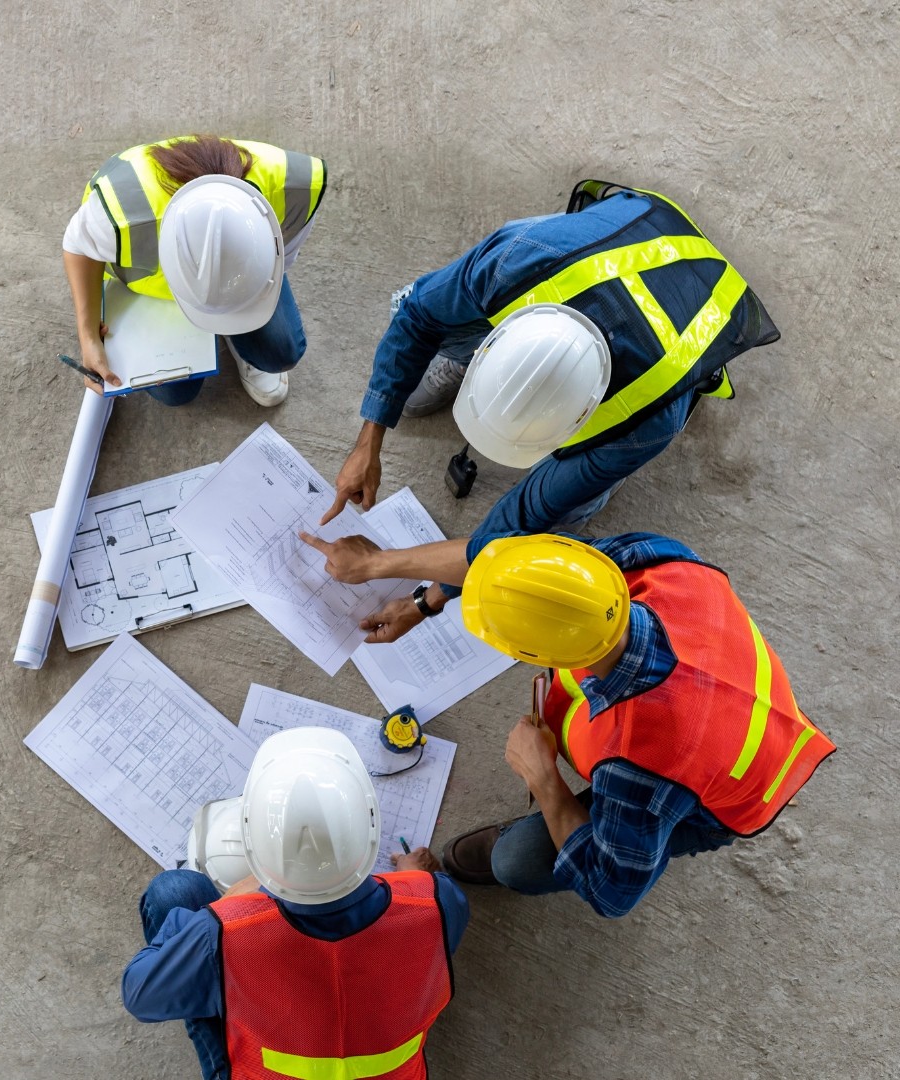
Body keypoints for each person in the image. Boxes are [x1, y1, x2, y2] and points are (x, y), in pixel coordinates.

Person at [315, 180, 780, 643]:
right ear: (502, 341)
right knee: (430, 302)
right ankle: (463, 349)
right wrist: (368, 440)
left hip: (686, 301)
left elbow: (508, 532)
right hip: (608, 245)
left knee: (566, 506)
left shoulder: (642, 424)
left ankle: (593, 485)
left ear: (579, 418)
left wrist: (409, 589)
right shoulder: (519, 259)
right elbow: (417, 318)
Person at [303, 531, 835, 918]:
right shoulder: (650, 564)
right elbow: (520, 571)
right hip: (733, 707)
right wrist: (425, 601)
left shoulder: (642, 763)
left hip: (726, 791)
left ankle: (557, 828)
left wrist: (546, 782)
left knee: (518, 861)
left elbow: (613, 891)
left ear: (536, 655)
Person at [124, 728, 468, 1080]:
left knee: (174, 891)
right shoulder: (437, 900)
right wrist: (414, 878)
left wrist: (224, 912)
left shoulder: (222, 934)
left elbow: (140, 996)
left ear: (254, 846)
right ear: (369, 829)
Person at [64, 134, 325, 407]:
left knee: (281, 352)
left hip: (238, 282)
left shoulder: (296, 189)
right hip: (145, 291)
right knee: (174, 392)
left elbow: (284, 260)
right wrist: (88, 336)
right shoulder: (121, 217)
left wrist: (237, 293)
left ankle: (240, 337)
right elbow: (76, 245)